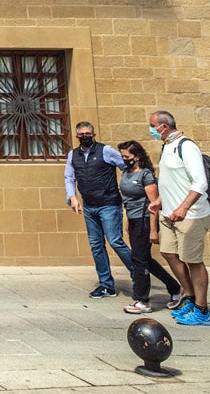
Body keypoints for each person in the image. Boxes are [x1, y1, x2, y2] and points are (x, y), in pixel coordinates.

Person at [148, 110, 210, 327]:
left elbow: (199, 183)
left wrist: (184, 207)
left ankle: (202, 309)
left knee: (193, 261)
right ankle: (190, 295)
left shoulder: (186, 146)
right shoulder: (167, 146)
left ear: (163, 127)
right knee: (168, 252)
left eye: (152, 126)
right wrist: (159, 200)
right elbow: (171, 179)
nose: (150, 130)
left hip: (190, 215)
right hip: (168, 213)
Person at [64, 121, 133, 298]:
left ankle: (139, 274)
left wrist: (127, 189)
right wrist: (72, 197)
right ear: (77, 136)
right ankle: (106, 284)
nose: (85, 137)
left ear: (94, 135)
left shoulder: (106, 151)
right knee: (96, 245)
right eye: (82, 135)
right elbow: (69, 177)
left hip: (109, 203)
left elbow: (126, 167)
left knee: (115, 241)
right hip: (89, 206)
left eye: (88, 134)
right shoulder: (73, 155)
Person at [116, 140, 185, 315]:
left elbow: (154, 205)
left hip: (145, 220)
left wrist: (153, 230)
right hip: (133, 220)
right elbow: (127, 201)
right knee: (144, 259)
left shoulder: (145, 175)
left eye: (127, 156)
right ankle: (175, 287)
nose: (124, 160)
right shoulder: (126, 172)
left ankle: (142, 300)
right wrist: (127, 221)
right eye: (122, 156)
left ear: (137, 157)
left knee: (139, 261)